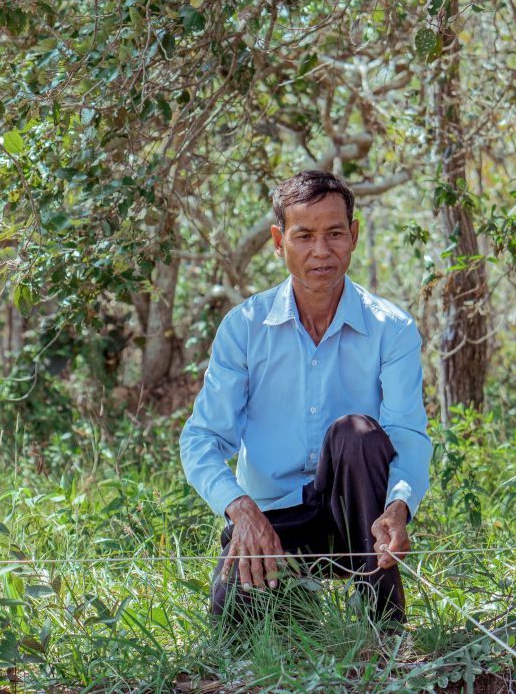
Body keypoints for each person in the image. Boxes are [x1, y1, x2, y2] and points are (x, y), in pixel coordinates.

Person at [179, 170, 431, 624]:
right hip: (271, 523)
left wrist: (398, 507)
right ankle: (297, 600)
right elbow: (201, 439)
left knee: (356, 434)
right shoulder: (244, 327)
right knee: (235, 633)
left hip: (357, 521)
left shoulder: (391, 328)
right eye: (305, 235)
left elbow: (406, 433)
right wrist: (241, 512)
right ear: (279, 242)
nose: (322, 250)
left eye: (335, 233)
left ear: (354, 236)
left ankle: (383, 621)